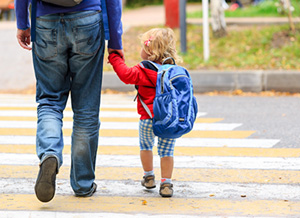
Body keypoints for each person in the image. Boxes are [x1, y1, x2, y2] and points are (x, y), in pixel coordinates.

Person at [15, 0, 123, 202]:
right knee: (86, 108)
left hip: (45, 21)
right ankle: (83, 184)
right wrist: (115, 41)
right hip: (88, 20)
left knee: (49, 100)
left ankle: (50, 154)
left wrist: (22, 22)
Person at [108, 28, 181, 198]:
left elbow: (125, 75)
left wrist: (114, 57)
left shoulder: (144, 70)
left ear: (149, 51)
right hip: (168, 120)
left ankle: (148, 176)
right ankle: (166, 183)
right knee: (167, 152)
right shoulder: (174, 71)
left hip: (147, 118)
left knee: (146, 147)